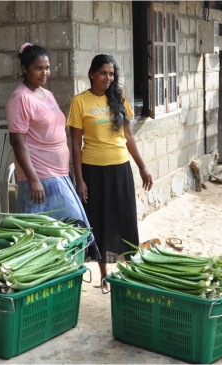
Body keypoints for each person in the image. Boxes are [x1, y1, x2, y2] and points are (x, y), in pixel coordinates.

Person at [67, 54, 152, 291]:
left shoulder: (119, 99)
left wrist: (142, 167)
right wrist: (80, 180)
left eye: (111, 74)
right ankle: (104, 275)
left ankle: (127, 273)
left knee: (125, 218)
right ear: (92, 74)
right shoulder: (79, 102)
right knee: (101, 222)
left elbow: (129, 137)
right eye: (103, 73)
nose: (108, 78)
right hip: (93, 171)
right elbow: (75, 145)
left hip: (121, 169)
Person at [6, 43, 96, 255]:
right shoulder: (20, 98)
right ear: (24, 68)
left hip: (59, 173)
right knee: (47, 234)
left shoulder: (46, 94)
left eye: (47, 67)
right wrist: (33, 179)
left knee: (62, 234)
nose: (44, 72)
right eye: (39, 68)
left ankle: (61, 276)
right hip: (40, 176)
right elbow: (17, 142)